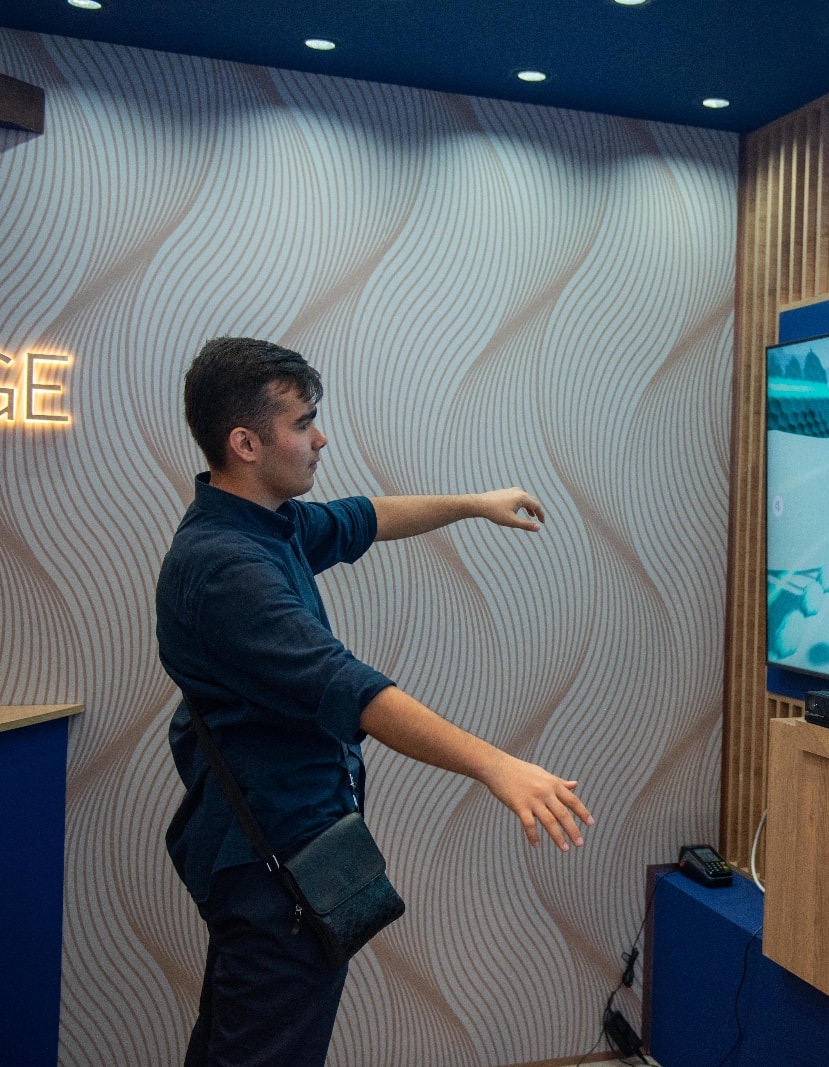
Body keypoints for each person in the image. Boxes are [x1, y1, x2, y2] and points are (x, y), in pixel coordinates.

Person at [155, 337, 593, 1067]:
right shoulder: (226, 568)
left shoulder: (268, 524)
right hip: (274, 872)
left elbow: (369, 517)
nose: (320, 438)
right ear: (245, 443)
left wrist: (474, 504)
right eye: (303, 423)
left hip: (292, 851)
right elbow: (354, 691)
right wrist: (496, 766)